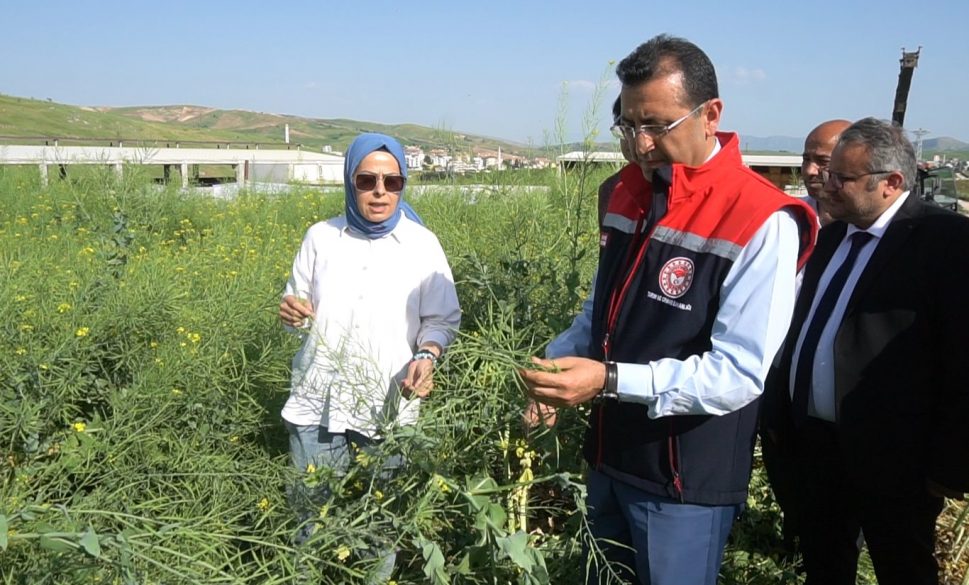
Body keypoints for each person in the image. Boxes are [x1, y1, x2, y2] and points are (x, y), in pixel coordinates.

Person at [519, 34, 817, 585]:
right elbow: (598, 312)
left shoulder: (761, 217)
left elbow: (739, 371)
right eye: (628, 125)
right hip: (610, 456)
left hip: (681, 479)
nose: (641, 143)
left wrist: (606, 381)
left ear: (711, 115)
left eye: (656, 125)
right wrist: (553, 367)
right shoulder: (624, 193)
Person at [761, 117, 969, 585]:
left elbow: (962, 362)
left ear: (890, 183)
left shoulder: (946, 243)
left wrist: (949, 467)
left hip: (897, 460)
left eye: (841, 178)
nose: (824, 184)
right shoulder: (832, 236)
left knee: (903, 568)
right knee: (824, 564)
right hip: (815, 447)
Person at [278, 132, 461, 580]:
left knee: (381, 527)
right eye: (367, 179)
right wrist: (291, 312)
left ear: (403, 184)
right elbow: (298, 308)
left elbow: (443, 317)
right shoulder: (320, 238)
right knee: (309, 521)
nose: (380, 191)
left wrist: (427, 354)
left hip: (388, 404)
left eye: (392, 182)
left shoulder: (422, 244)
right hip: (317, 402)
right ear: (350, 181)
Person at [800, 119, 852, 226]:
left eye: (823, 161)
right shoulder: (789, 216)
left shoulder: (870, 225)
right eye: (806, 159)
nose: (810, 171)